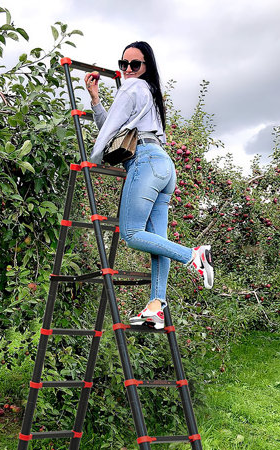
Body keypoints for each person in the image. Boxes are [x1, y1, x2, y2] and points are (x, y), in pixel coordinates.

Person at [84, 41, 213, 330]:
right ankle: (156, 307)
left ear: (146, 67)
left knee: (131, 233)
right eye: (123, 64)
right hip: (163, 166)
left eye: (135, 65)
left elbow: (109, 131)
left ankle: (194, 256)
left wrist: (93, 156)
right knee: (158, 244)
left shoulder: (132, 87)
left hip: (144, 162)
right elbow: (116, 126)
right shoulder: (150, 93)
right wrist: (96, 100)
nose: (128, 70)